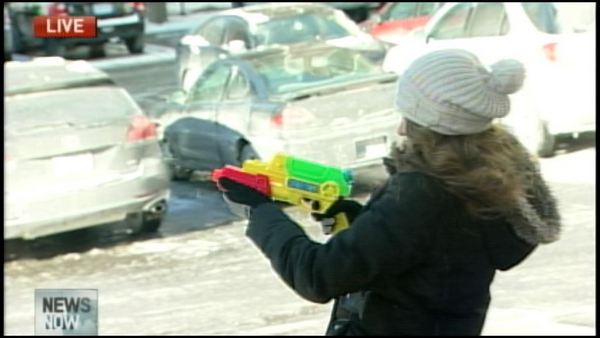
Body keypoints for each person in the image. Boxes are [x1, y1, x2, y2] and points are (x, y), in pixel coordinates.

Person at [217, 49, 562, 336]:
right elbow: (430, 253)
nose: (401, 126)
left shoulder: (424, 193)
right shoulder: (481, 178)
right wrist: (360, 221)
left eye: (409, 115)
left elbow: (318, 276)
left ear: (431, 121)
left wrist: (260, 210)